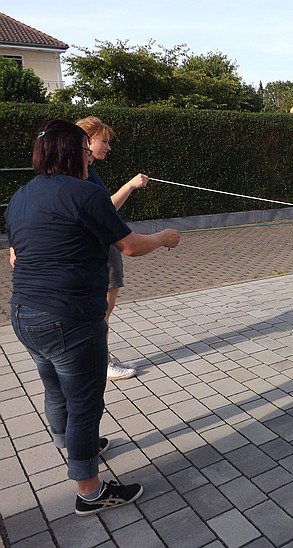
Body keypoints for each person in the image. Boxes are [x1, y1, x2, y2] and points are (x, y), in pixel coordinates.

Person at [5, 119, 181, 516]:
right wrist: (164, 238)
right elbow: (131, 246)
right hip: (69, 317)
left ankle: (71, 445)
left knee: (56, 391)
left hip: (23, 314)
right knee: (85, 404)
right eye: (86, 151)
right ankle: (90, 490)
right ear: (73, 153)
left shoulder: (21, 196)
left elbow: (15, 255)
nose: (90, 157)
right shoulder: (84, 193)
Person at [76, 116, 149, 381]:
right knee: (103, 309)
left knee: (102, 309)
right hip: (101, 250)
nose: (108, 147)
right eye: (103, 141)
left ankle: (98, 358)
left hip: (99, 250)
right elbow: (106, 211)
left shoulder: (87, 171)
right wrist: (130, 185)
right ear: (86, 140)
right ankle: (102, 361)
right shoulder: (81, 175)